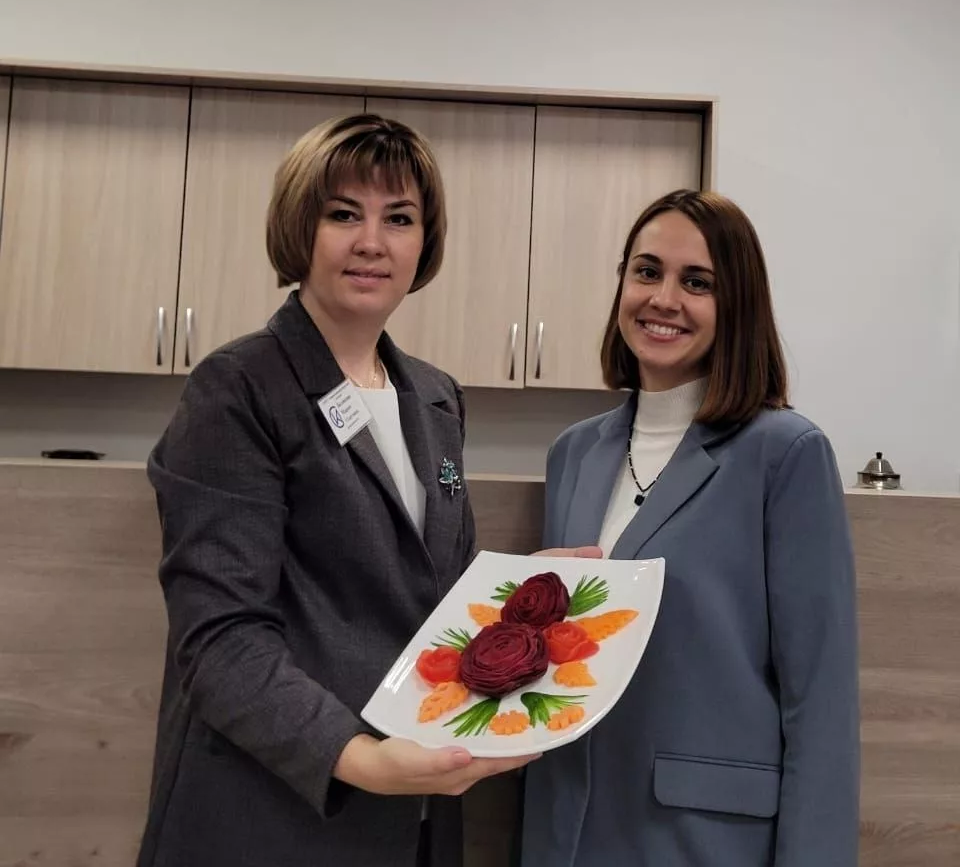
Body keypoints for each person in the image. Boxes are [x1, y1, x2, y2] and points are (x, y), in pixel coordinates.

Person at [136, 113, 539, 867]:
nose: (372, 242)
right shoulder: (238, 388)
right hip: (274, 813)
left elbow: (440, 595)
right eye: (344, 214)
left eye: (400, 218)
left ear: (425, 242)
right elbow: (220, 640)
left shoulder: (436, 398)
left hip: (416, 811)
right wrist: (362, 758)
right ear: (301, 228)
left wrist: (532, 591)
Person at [522, 189, 859, 867]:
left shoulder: (785, 453)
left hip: (704, 839)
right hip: (570, 828)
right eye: (646, 271)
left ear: (737, 305)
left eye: (697, 282)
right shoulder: (574, 453)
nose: (663, 298)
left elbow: (820, 703)